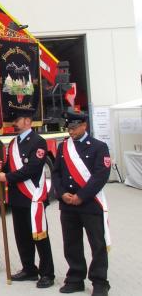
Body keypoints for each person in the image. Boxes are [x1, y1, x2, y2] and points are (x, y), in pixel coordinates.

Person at [0, 107, 55, 288]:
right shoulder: (13, 143)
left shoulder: (38, 142)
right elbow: (10, 166)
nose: (14, 123)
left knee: (39, 235)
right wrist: (0, 167)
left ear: (27, 121)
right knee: (22, 236)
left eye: (18, 120)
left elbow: (32, 169)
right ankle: (29, 268)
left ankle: (47, 273)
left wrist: (7, 177)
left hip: (32, 198)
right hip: (17, 198)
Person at [52, 110, 111, 296]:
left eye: (74, 127)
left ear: (84, 125)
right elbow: (56, 173)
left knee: (97, 244)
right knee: (71, 243)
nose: (71, 131)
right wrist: (62, 194)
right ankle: (76, 278)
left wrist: (81, 196)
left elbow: (101, 175)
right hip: (68, 204)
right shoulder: (63, 148)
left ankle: (100, 282)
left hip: (89, 202)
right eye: (69, 128)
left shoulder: (99, 146)